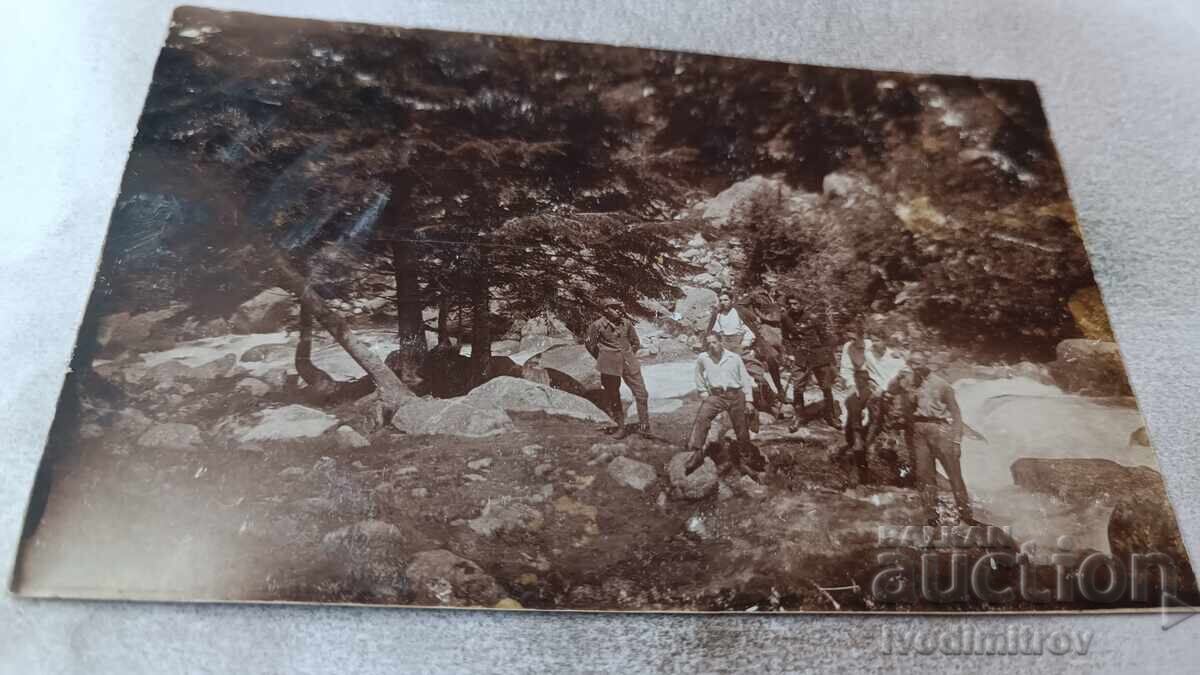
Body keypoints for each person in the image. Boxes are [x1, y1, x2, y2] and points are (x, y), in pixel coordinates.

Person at [906, 356, 975, 525]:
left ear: (927, 363)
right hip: (919, 430)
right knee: (923, 475)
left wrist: (957, 441)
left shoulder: (943, 385)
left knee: (954, 474)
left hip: (941, 430)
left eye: (918, 363)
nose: (915, 367)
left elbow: (956, 414)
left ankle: (966, 515)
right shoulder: (910, 382)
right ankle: (931, 517)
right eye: (912, 363)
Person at [684, 333, 757, 477]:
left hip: (736, 395)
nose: (712, 345)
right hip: (717, 396)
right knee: (702, 417)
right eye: (709, 343)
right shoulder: (703, 358)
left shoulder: (734, 358)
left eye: (715, 342)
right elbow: (698, 375)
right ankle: (697, 453)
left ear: (721, 342)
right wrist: (704, 393)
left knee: (741, 428)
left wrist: (749, 400)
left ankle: (745, 460)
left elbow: (745, 379)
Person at [584, 298, 650, 439]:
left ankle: (645, 426)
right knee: (613, 396)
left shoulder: (626, 323)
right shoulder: (597, 326)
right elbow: (590, 345)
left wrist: (628, 355)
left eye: (619, 307)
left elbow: (635, 343)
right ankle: (620, 428)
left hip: (629, 363)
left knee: (642, 394)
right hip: (609, 365)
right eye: (614, 308)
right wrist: (603, 357)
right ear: (605, 310)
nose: (619, 310)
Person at [780, 295, 839, 431]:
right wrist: (790, 353)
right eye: (790, 304)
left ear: (802, 303)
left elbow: (824, 337)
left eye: (796, 303)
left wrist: (829, 357)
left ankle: (831, 416)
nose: (793, 307)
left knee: (825, 386)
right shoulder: (785, 317)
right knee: (798, 387)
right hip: (799, 356)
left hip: (817, 355)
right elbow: (785, 338)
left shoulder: (813, 317)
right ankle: (798, 417)